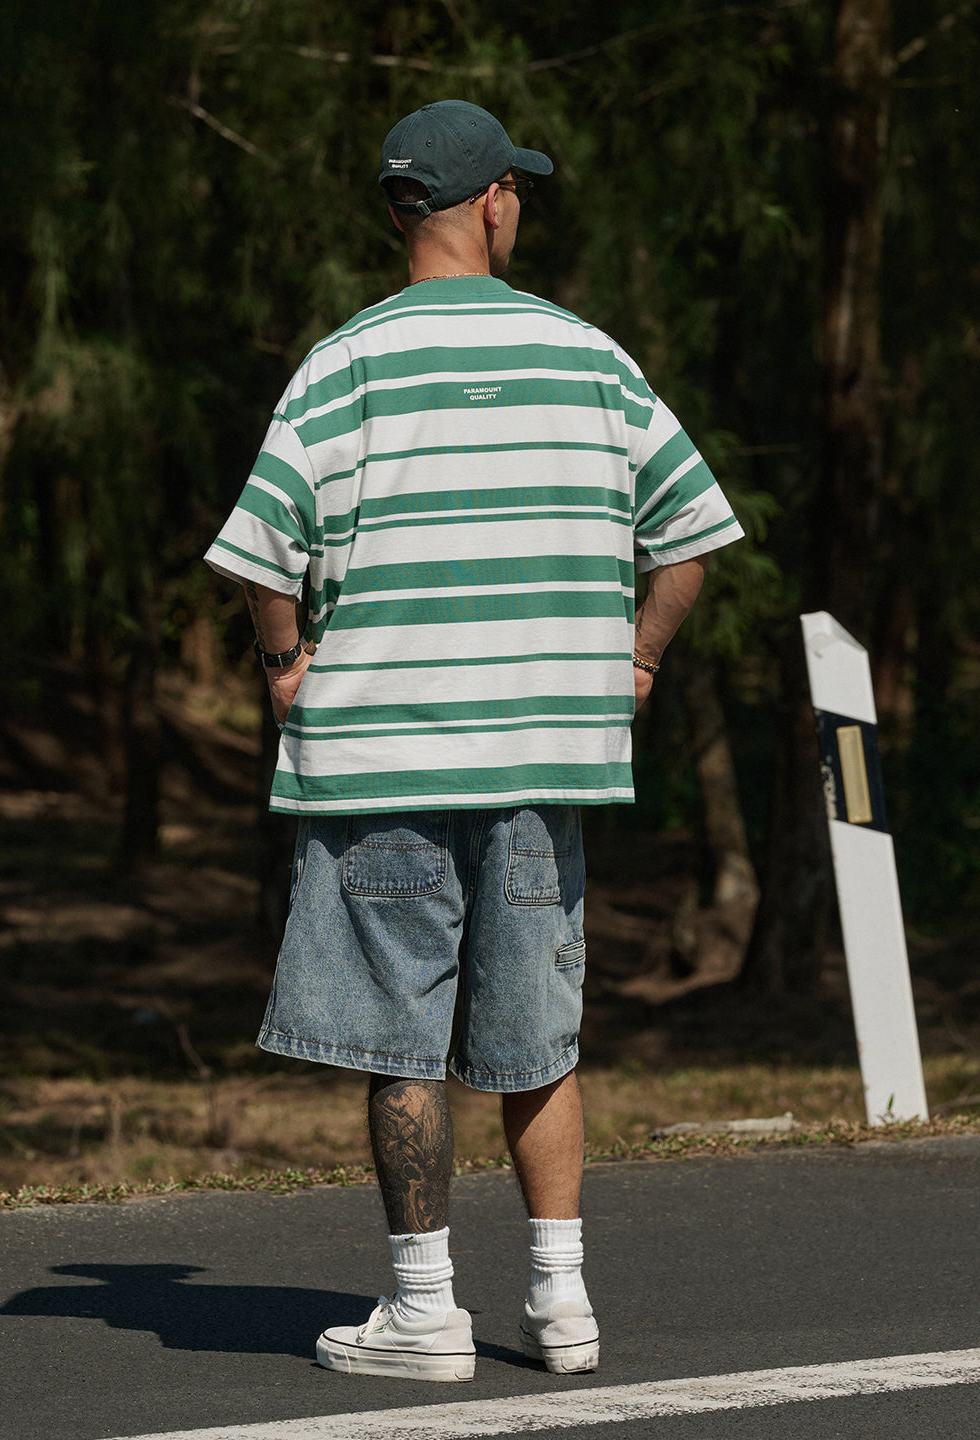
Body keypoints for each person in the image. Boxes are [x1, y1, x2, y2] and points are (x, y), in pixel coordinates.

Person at [205, 99, 743, 1383]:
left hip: (384, 754)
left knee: (403, 1038)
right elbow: (694, 535)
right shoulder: (590, 358)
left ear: (399, 213)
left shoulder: (344, 365)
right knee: (536, 1035)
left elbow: (261, 548)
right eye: (521, 192)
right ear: (494, 199)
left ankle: (426, 1311)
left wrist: (287, 668)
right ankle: (562, 1305)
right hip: (543, 762)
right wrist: (636, 659)